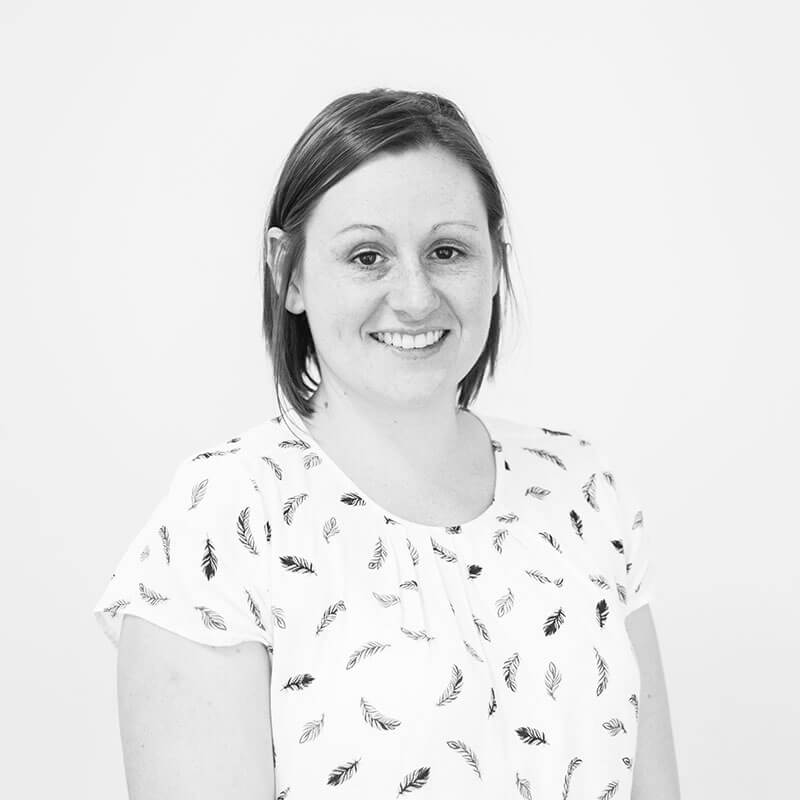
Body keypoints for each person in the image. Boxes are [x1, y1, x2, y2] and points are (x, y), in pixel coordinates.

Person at [93, 88, 679, 799]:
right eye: (368, 256)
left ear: (495, 261)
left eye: (447, 251)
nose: (414, 296)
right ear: (289, 273)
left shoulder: (581, 488)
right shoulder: (227, 518)